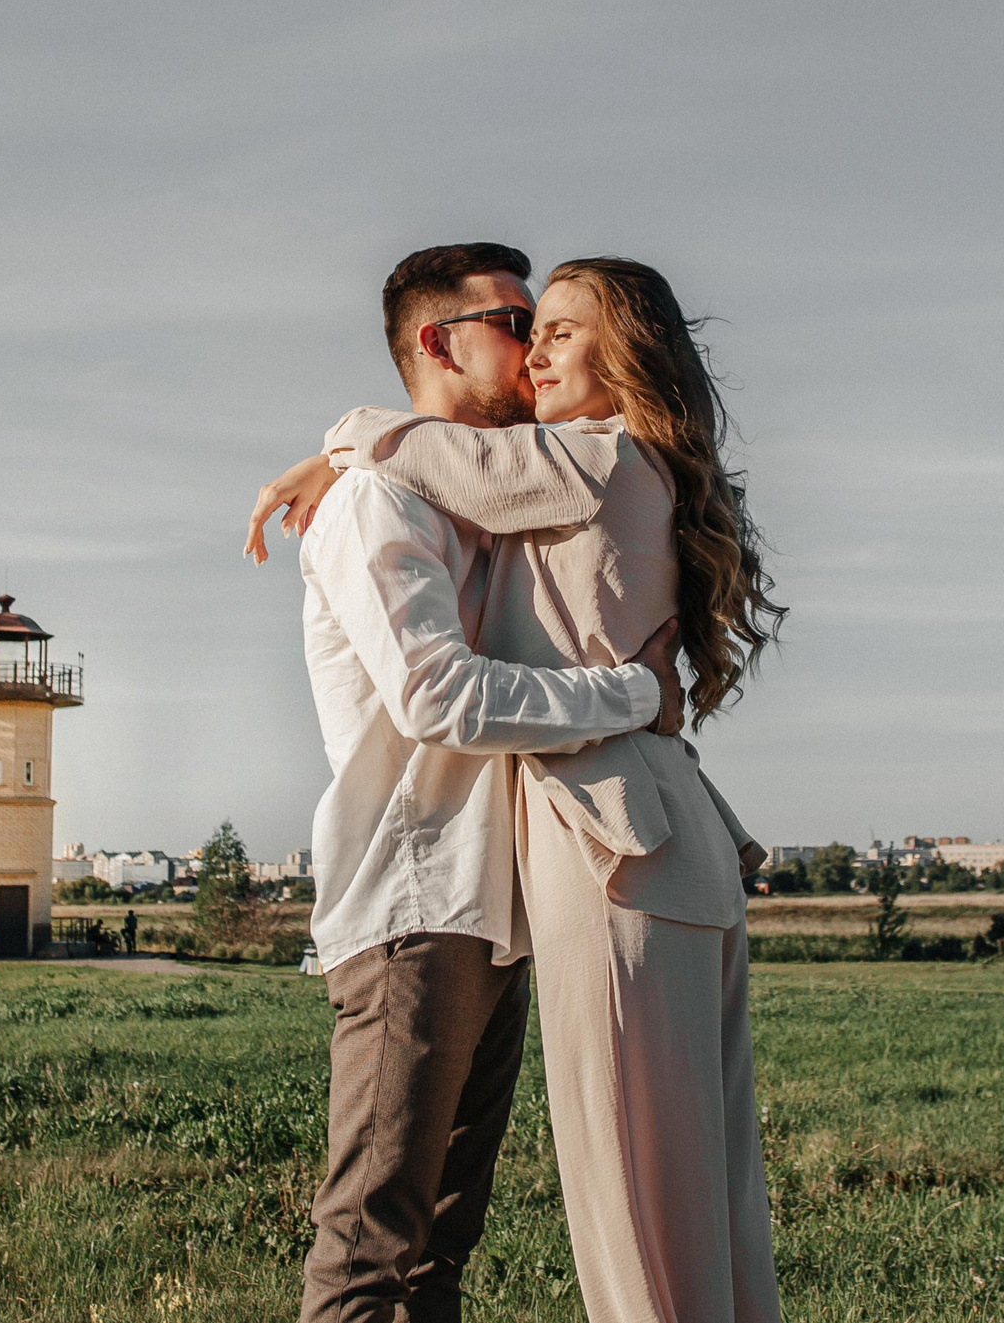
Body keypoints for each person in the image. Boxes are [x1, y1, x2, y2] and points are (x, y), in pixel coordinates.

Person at [251, 256, 785, 1323]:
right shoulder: (380, 503)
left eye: (553, 325)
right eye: (513, 320)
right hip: (417, 897)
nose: (534, 344)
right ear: (440, 342)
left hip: (500, 901)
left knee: (439, 1253)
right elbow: (438, 696)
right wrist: (630, 693)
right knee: (374, 1246)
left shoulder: (513, 490)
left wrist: (345, 441)